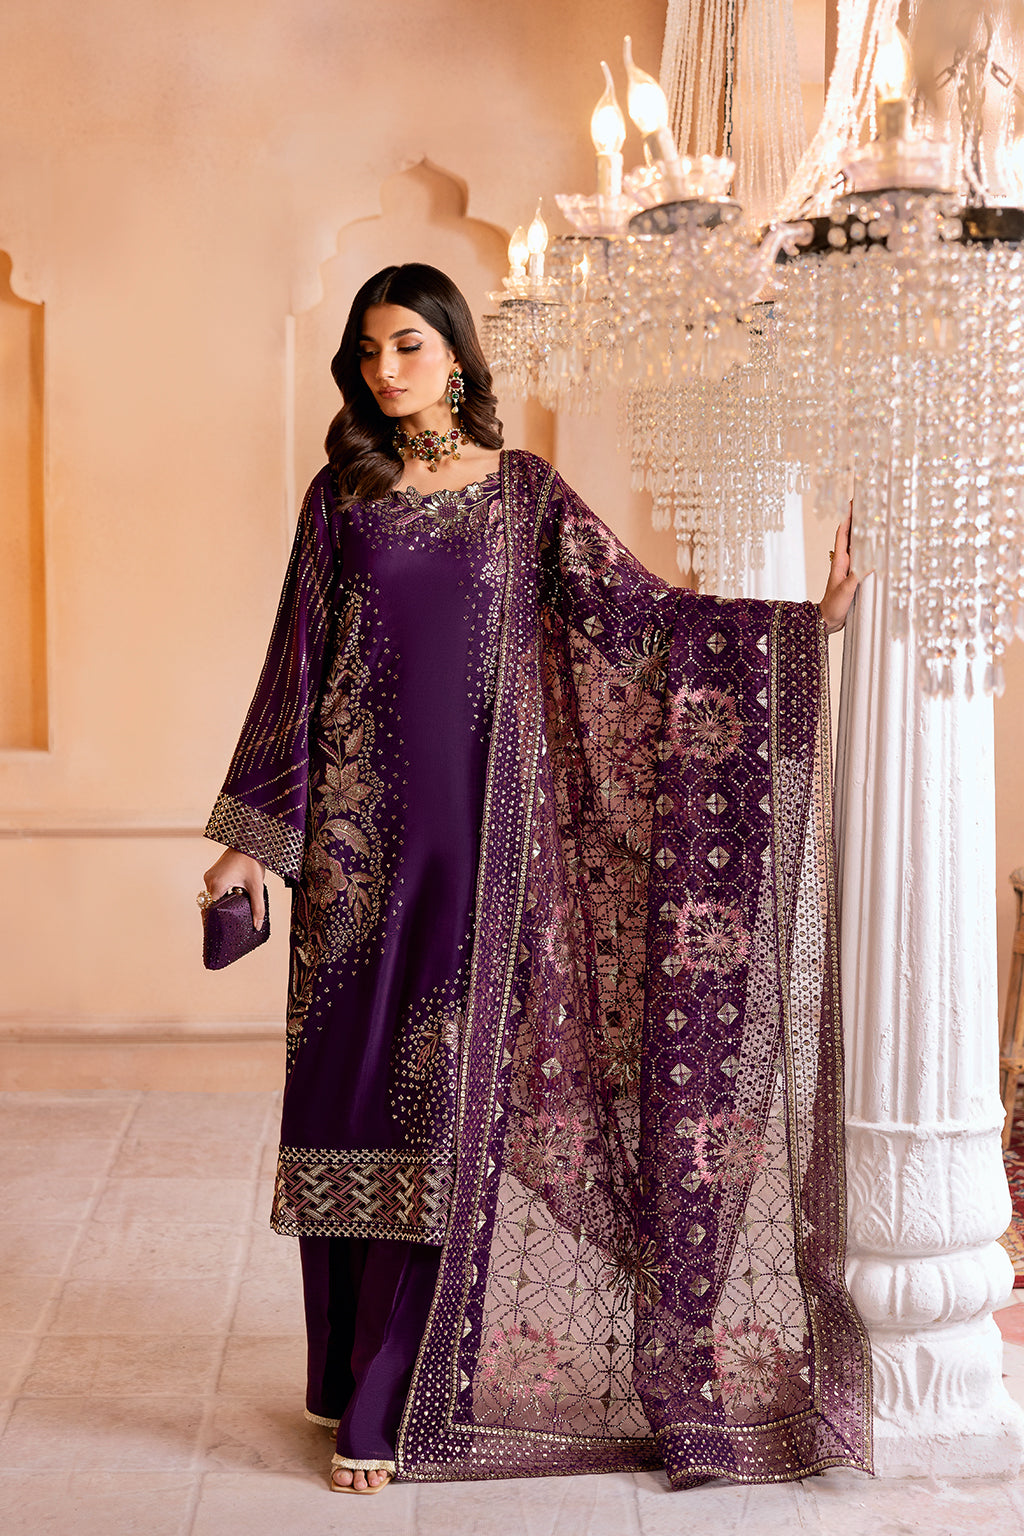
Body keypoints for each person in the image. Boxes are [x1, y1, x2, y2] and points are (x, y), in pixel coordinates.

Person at [202, 263, 868, 1496]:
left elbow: (642, 623)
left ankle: (381, 1402)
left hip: (481, 853)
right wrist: (254, 832)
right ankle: (343, 1367)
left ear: (457, 354)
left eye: (407, 346)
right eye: (368, 351)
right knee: (347, 1101)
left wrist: (798, 627)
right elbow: (295, 660)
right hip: (352, 853)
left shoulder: (522, 496)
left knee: (439, 1105)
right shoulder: (341, 497)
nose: (384, 370)